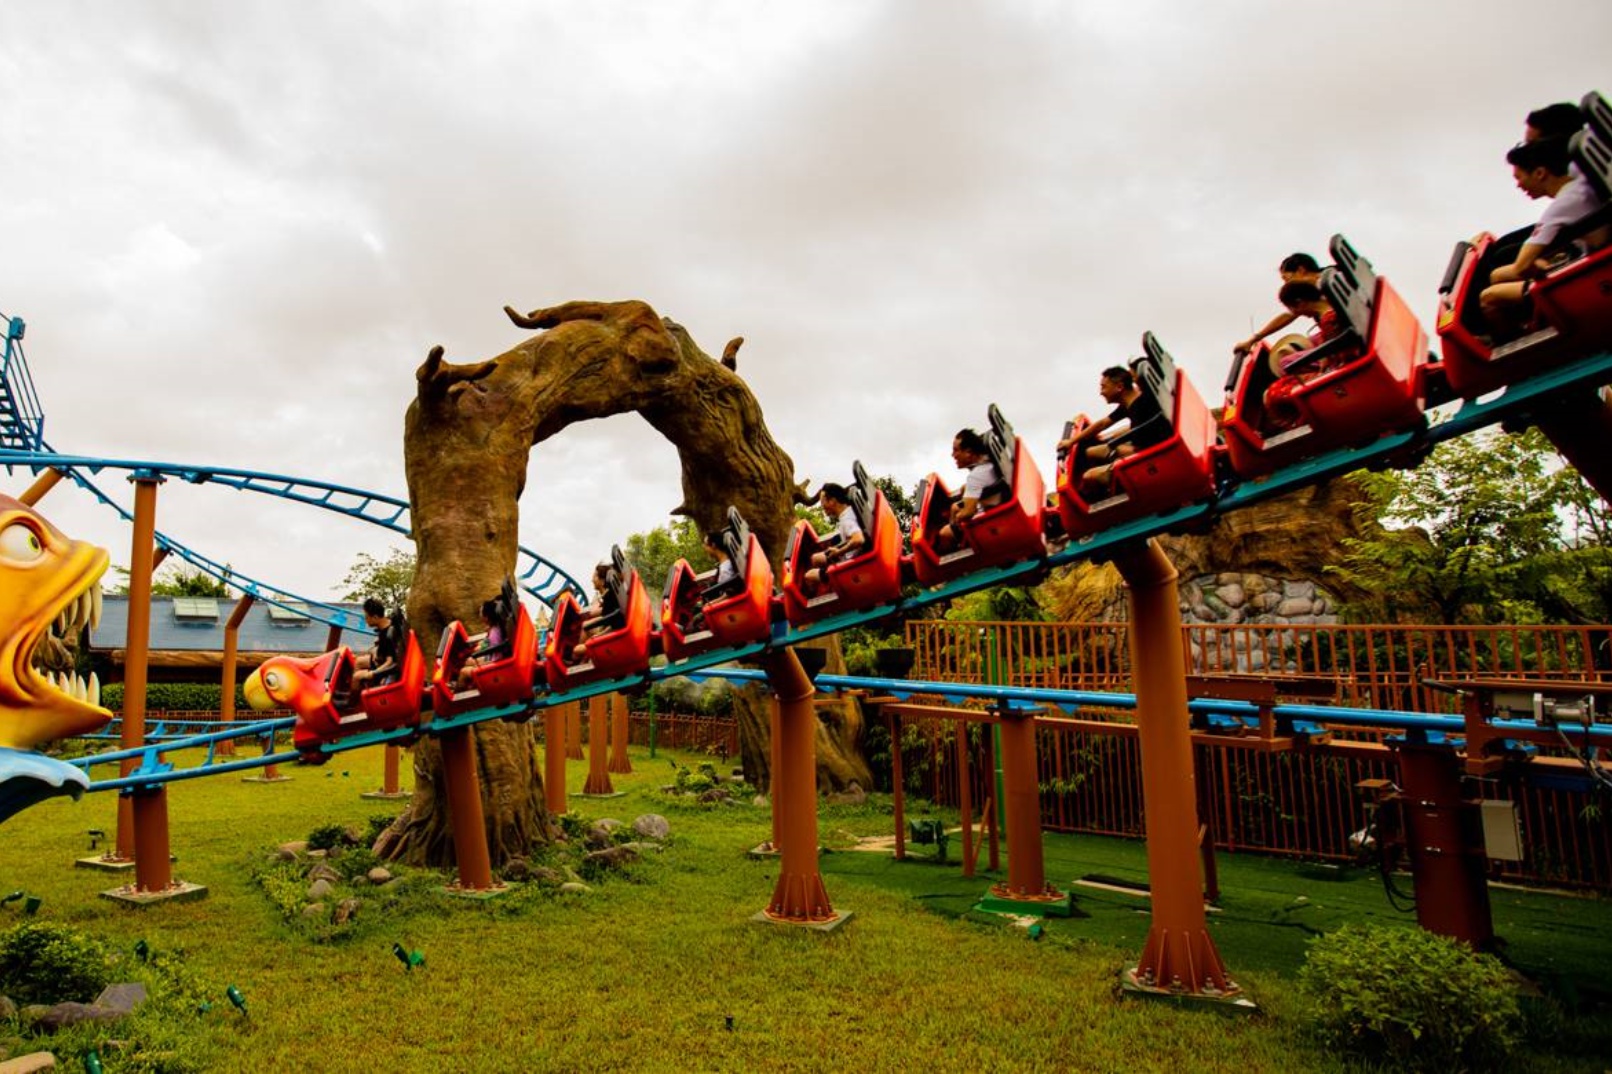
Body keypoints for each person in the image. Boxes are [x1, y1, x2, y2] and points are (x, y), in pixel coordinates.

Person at [1479, 136, 1607, 336]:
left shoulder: (1559, 208)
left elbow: (1521, 267)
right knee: (1496, 275)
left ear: (1540, 173)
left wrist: (1535, 267)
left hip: (1585, 278)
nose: (1519, 185)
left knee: (1488, 297)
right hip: (1593, 259)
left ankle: (1522, 343)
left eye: (1519, 177)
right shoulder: (1581, 180)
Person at [1057, 366, 1165, 497]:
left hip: (1148, 460)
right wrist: (1071, 441)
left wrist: (1116, 451)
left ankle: (1103, 496)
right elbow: (1102, 424)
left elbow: (1139, 450)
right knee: (1090, 451)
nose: (1101, 392)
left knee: (1089, 476)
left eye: (1104, 387)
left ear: (1119, 387)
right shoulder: (1130, 401)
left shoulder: (1141, 410)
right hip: (1141, 448)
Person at [1232, 253, 1324, 356]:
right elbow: (1289, 315)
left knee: (1287, 360)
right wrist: (1253, 340)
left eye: (1286, 279)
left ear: (1301, 270)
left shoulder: (1328, 283)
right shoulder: (1315, 293)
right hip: (1331, 337)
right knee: (1287, 350)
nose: (1287, 285)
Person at [804, 483, 866, 592]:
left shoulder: (847, 520)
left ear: (832, 501)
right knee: (815, 559)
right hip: (850, 554)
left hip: (849, 566)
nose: (822, 506)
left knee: (808, 576)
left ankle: (826, 592)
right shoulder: (849, 510)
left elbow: (859, 539)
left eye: (823, 501)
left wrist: (839, 552)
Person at [573, 562, 622, 660]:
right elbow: (607, 614)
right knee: (587, 625)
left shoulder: (610, 597)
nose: (592, 580)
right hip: (611, 627)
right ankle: (582, 661)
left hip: (614, 632)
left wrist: (598, 636)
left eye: (595, 577)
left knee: (577, 649)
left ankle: (576, 660)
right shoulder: (612, 594)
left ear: (603, 581)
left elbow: (612, 620)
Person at [455, 598, 508, 689]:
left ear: (486, 617)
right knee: (468, 661)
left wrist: (479, 664)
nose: (479, 614)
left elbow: (497, 658)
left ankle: (459, 692)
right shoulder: (495, 627)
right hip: (494, 657)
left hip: (496, 666)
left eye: (481, 613)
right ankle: (470, 684)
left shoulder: (494, 634)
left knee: (463, 671)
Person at [351, 597, 398, 691]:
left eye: (367, 617)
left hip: (384, 667)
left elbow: (391, 662)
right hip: (381, 658)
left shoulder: (388, 636)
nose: (365, 620)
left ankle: (353, 703)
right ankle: (362, 689)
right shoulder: (389, 622)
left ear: (375, 617)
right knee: (358, 661)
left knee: (356, 677)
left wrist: (372, 673)